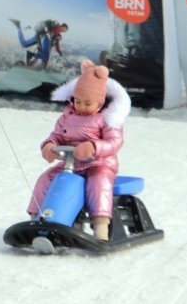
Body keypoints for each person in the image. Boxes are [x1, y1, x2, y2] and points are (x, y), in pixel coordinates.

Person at [27, 59, 130, 241]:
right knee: (47, 179)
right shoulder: (67, 116)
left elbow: (115, 142)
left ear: (99, 103)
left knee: (98, 183)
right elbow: (56, 135)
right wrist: (49, 145)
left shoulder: (107, 119)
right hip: (71, 164)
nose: (81, 106)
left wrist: (93, 146)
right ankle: (37, 219)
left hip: (99, 164)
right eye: (78, 101)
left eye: (87, 103)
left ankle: (101, 226)